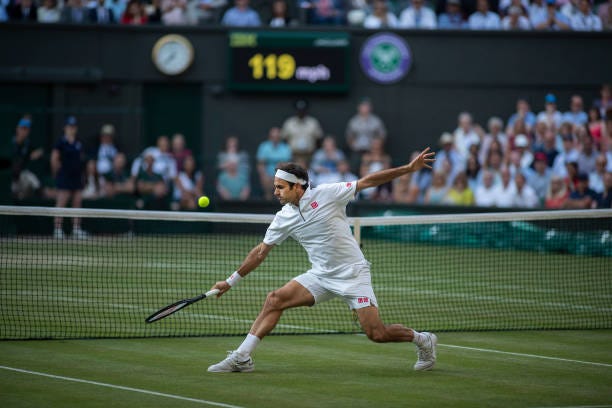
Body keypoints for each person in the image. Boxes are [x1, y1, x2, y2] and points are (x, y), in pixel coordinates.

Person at [207, 148, 438, 373]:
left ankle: (423, 339)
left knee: (377, 334)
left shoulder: (328, 193)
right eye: (274, 187)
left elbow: (368, 181)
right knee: (275, 300)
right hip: (321, 275)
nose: (275, 192)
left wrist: (408, 168)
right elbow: (260, 252)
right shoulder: (283, 217)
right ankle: (242, 357)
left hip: (353, 274)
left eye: (280, 187)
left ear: (297, 187)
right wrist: (230, 281)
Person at [51, 116, 88, 239]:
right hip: (64, 176)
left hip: (77, 177)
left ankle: (76, 229)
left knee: (77, 203)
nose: (71, 129)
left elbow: (82, 160)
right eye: (69, 126)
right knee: (61, 203)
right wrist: (57, 173)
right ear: (65, 128)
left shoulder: (79, 143)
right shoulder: (61, 143)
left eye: (73, 127)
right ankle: (57, 229)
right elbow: (54, 159)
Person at [345, 97, 387, 173]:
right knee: (354, 167)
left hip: (372, 150)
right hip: (358, 150)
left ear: (370, 108)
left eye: (366, 107)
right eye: (363, 107)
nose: (364, 109)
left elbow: (382, 135)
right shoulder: (353, 121)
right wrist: (353, 146)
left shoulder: (376, 121)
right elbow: (349, 136)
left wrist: (376, 147)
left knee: (375, 169)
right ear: (359, 108)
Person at [11, 117, 44, 200]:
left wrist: (36, 154)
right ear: (17, 129)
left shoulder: (28, 143)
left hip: (24, 177)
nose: (23, 131)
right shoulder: (12, 142)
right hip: (11, 177)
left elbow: (40, 151)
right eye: (22, 128)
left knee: (33, 182)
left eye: (26, 129)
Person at [281, 99, 323, 164]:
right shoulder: (289, 123)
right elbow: (284, 140)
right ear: (296, 110)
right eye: (299, 110)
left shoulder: (313, 122)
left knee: (309, 173)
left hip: (309, 156)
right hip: (293, 156)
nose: (301, 112)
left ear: (306, 110)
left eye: (303, 110)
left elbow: (319, 139)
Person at [256, 127, 292, 200]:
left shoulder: (286, 148)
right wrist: (264, 176)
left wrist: (280, 177)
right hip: (267, 176)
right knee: (266, 182)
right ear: (270, 137)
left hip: (282, 176)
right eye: (273, 137)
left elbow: (288, 165)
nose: (275, 139)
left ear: (280, 137)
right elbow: (260, 164)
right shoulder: (264, 146)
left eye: (277, 137)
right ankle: (267, 207)